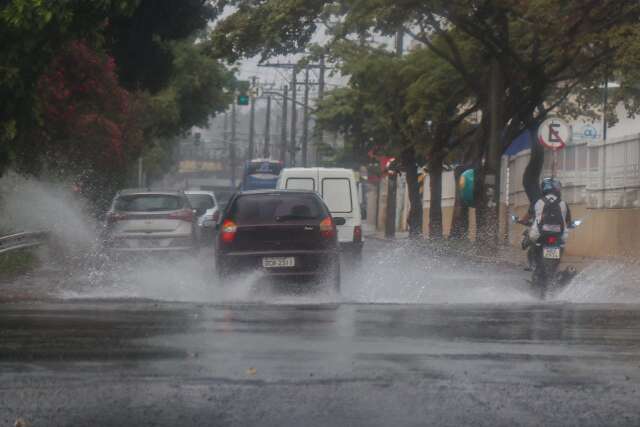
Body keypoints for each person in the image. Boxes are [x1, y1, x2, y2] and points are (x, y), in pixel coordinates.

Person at [528, 177, 572, 244]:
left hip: (538, 234)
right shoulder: (563, 203)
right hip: (560, 235)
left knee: (531, 238)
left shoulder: (538, 202)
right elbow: (568, 220)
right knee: (562, 242)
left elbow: (531, 214)